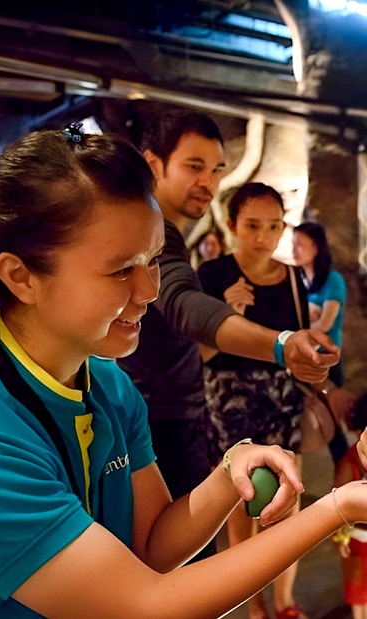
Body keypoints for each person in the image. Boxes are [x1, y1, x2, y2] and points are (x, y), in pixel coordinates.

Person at [0, 123, 361, 619]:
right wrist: (335, 508)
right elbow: (142, 605)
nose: (147, 291)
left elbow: (149, 545)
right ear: (21, 277)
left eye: (152, 260)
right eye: (122, 269)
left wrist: (231, 472)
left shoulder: (105, 381)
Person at [118, 108, 339, 518]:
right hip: (160, 418)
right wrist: (281, 344)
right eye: (194, 166)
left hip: (178, 413)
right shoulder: (158, 237)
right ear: (154, 164)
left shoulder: (166, 235)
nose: (208, 181)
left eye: (216, 169)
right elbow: (184, 303)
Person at [197, 182, 310, 619]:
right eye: (252, 225)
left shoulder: (294, 278)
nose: (264, 235)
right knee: (240, 502)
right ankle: (250, 604)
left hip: (280, 400)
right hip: (228, 399)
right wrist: (228, 315)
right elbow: (198, 356)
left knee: (287, 497)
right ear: (231, 226)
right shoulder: (211, 276)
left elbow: (300, 349)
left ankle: (284, 602)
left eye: (274, 226)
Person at [293, 221, 349, 462]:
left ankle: (349, 476)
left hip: (326, 361)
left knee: (334, 425)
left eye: (299, 245)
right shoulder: (299, 280)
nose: (294, 250)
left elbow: (324, 324)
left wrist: (299, 327)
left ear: (316, 248)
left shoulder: (332, 280)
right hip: (302, 359)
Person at [333, 392, 367, 619]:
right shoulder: (349, 464)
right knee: (358, 590)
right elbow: (337, 507)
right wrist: (340, 536)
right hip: (358, 541)